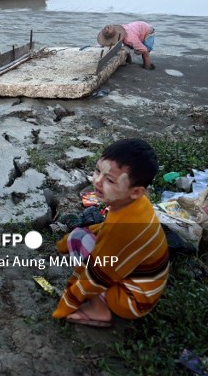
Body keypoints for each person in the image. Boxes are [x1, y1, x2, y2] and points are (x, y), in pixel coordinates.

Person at [52, 138, 169, 327]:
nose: (97, 181)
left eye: (110, 180)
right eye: (98, 170)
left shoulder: (124, 228)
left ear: (136, 191)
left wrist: (67, 304)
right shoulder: (136, 203)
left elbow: (97, 274)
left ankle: (100, 310)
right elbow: (105, 228)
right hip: (147, 286)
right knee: (80, 237)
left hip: (132, 301)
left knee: (79, 241)